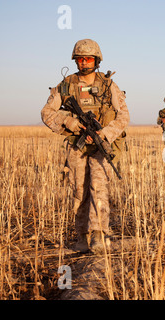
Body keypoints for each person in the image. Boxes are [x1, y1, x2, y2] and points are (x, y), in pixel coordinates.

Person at [41, 39, 130, 254]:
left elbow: (124, 116)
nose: (83, 62)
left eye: (88, 58)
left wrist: (105, 133)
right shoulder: (66, 85)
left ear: (96, 60)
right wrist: (70, 122)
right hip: (77, 146)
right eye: (80, 59)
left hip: (101, 144)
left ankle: (99, 234)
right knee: (79, 190)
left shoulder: (109, 85)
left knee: (98, 188)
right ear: (75, 60)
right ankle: (82, 236)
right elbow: (46, 112)